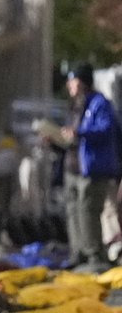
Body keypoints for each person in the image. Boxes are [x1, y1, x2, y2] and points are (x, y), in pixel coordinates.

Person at [59, 64, 121, 270]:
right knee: (73, 211)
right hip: (73, 167)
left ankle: (94, 255)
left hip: (92, 168)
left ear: (83, 81)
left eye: (73, 80)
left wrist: (80, 132)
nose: (69, 85)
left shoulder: (99, 103)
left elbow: (105, 128)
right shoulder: (74, 105)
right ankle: (78, 252)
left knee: (89, 211)